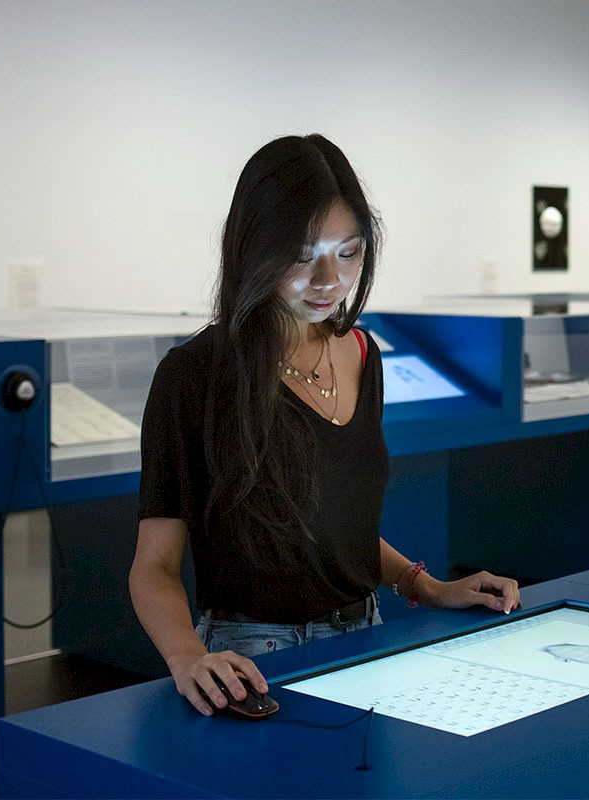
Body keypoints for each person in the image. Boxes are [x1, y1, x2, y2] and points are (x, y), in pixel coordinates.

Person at [129, 134, 520, 717]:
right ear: (251, 248)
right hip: (251, 660)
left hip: (366, 636)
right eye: (301, 254)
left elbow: (336, 530)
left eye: (349, 253)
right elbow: (154, 566)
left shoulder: (363, 353)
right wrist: (187, 657)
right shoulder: (194, 376)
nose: (328, 280)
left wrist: (429, 587)